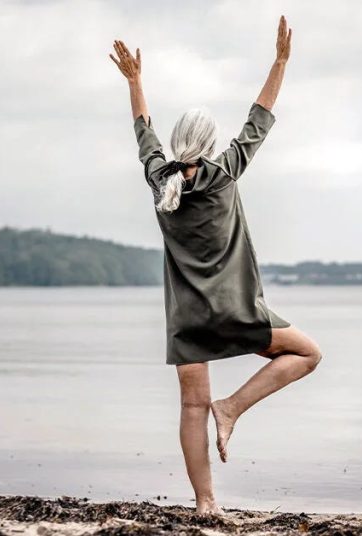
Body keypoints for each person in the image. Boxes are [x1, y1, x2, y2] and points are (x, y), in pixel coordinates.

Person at [110, 15, 322, 516]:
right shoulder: (225, 173)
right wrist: (280, 61)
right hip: (236, 310)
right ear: (209, 146)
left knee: (188, 409)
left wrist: (136, 82)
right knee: (309, 354)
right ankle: (232, 408)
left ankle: (206, 503)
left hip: (187, 321)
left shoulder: (159, 180)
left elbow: (144, 131)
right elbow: (260, 116)